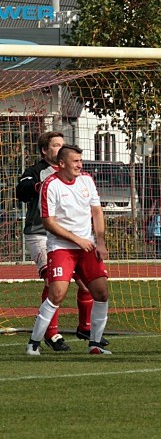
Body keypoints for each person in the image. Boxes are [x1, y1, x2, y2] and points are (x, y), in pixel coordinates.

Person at [15, 131, 103, 352]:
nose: (61, 148)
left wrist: (98, 239)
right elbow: (22, 191)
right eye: (56, 145)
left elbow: (96, 210)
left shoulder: (80, 176)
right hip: (41, 235)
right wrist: (37, 186)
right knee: (53, 284)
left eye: (63, 145)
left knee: (87, 285)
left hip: (76, 240)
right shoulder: (38, 173)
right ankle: (50, 334)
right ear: (46, 151)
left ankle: (86, 328)